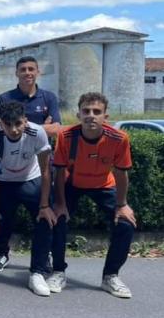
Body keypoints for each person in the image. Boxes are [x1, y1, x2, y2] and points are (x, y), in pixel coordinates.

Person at [48, 92, 135, 299]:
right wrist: (59, 203)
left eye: (97, 111)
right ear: (78, 114)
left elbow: (121, 173)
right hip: (73, 183)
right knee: (56, 218)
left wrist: (122, 204)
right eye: (86, 111)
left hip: (104, 185)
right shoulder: (66, 136)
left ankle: (110, 276)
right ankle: (58, 271)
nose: (91, 116)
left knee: (125, 224)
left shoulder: (119, 138)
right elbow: (59, 172)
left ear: (106, 116)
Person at [0, 55, 62, 269]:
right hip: (8, 168)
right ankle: (1, 254)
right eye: (23, 69)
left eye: (31, 68)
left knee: (43, 214)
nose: (27, 72)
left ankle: (44, 256)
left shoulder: (48, 97)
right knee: (4, 218)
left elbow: (56, 129)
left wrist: (32, 127)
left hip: (35, 165)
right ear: (17, 73)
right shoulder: (5, 97)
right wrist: (39, 125)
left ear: (38, 72)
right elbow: (4, 126)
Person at [0, 101, 55, 296]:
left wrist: (45, 205)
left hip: (31, 179)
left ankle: (37, 271)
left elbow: (46, 170)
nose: (13, 129)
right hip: (3, 182)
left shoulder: (37, 132)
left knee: (45, 219)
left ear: (25, 121)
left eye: (18, 124)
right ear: (0, 123)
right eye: (8, 124)